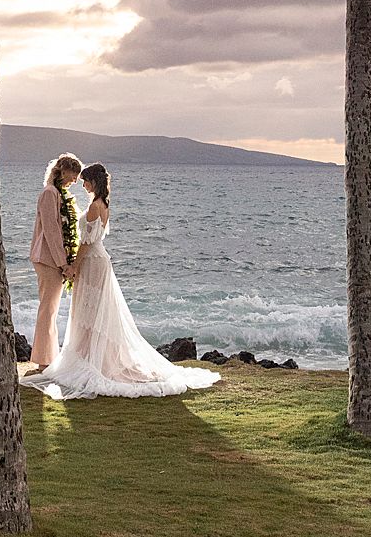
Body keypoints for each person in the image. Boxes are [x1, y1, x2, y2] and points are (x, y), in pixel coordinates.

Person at [23, 163, 222, 401]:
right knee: (94, 312)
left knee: (88, 312)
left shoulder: (95, 207)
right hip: (98, 262)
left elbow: (86, 243)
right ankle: (90, 357)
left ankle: (90, 361)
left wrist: (73, 266)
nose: (82, 184)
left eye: (85, 180)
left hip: (92, 263)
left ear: (93, 182)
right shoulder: (103, 204)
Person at [28, 153, 82, 370]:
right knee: (47, 309)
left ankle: (48, 358)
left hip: (54, 259)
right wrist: (64, 264)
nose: (75, 181)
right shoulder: (50, 194)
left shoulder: (60, 194)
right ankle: (43, 361)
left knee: (50, 308)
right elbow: (51, 232)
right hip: (48, 259)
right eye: (73, 175)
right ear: (62, 171)